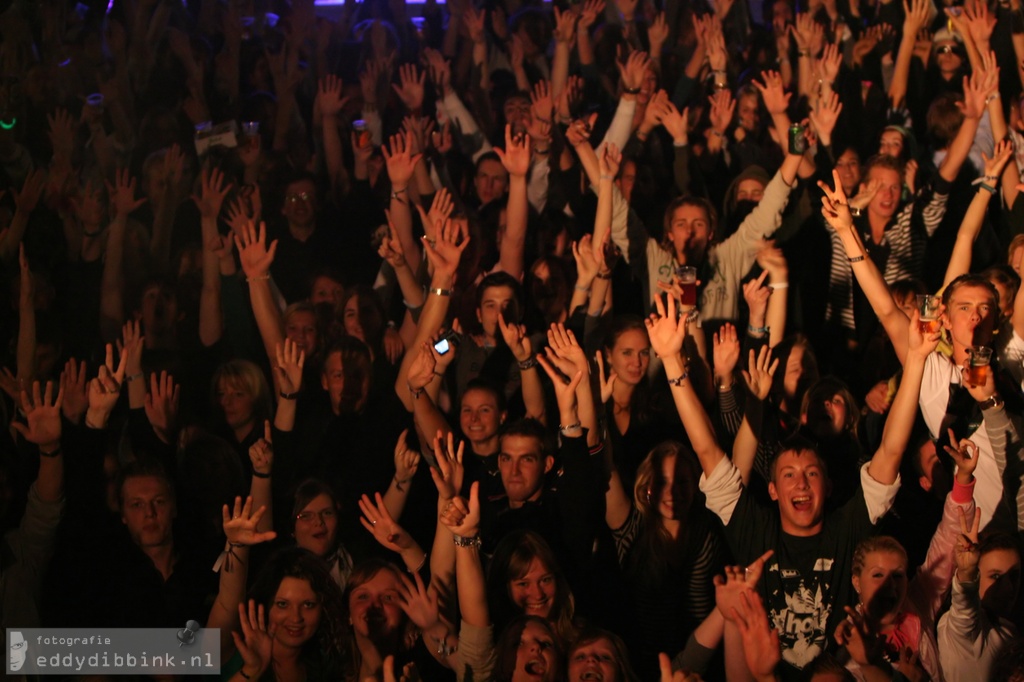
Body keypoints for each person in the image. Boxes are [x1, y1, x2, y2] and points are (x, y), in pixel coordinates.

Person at [645, 293, 933, 678]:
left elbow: (892, 450)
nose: (801, 483)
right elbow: (706, 450)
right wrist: (669, 361)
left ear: (828, 486)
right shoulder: (755, 529)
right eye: (789, 475)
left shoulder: (846, 530)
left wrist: (915, 360)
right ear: (773, 490)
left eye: (812, 473)